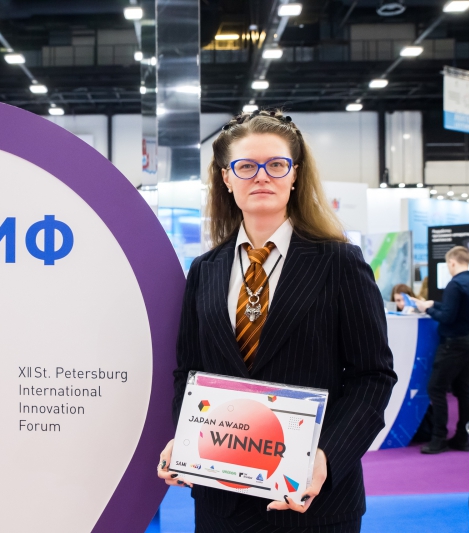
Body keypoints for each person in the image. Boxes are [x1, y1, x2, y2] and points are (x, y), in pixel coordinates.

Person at [156, 109, 397, 533]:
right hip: (222, 502)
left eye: (276, 165)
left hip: (313, 503)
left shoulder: (340, 262)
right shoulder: (204, 270)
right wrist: (187, 437)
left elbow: (373, 377)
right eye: (246, 166)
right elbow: (189, 372)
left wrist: (326, 457)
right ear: (226, 178)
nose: (262, 177)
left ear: (295, 174)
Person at [414, 246, 469, 454]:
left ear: (452, 262)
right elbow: (455, 310)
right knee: (463, 391)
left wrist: (428, 309)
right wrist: (434, 303)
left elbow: (447, 317)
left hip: (453, 343)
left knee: (436, 388)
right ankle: (463, 438)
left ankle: (439, 438)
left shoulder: (454, 284)